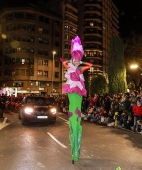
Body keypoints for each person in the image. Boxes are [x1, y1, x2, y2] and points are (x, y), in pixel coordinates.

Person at [60, 36, 92, 164]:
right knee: (73, 125)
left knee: (77, 125)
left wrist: (80, 62)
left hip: (78, 98)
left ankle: (76, 152)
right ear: (72, 59)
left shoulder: (80, 69)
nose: (77, 62)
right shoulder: (70, 68)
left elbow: (90, 64)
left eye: (79, 60)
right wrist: (73, 60)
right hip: (72, 95)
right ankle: (74, 153)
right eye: (75, 59)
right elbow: (64, 63)